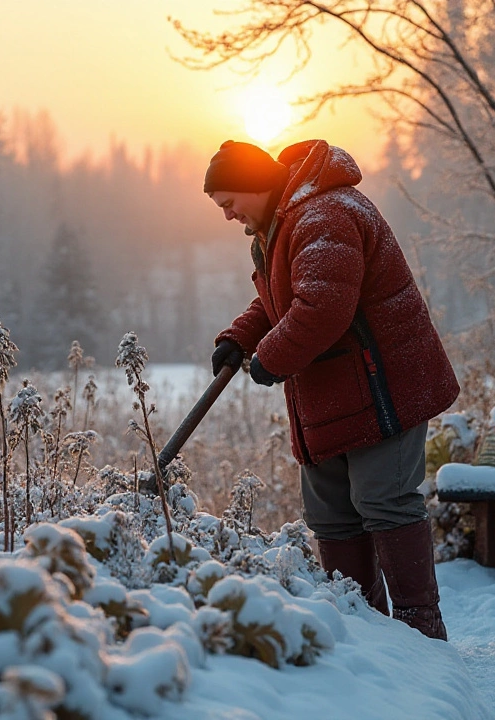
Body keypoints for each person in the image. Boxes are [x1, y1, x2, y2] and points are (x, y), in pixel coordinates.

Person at [205, 139, 459, 640]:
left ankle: (420, 631)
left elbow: (322, 308)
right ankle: (362, 633)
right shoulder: (280, 225)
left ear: (254, 183)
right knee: (333, 518)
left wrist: (270, 358)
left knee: (384, 502)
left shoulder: (326, 214)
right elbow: (285, 297)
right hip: (330, 395)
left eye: (229, 201)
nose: (229, 215)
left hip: (382, 386)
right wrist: (240, 337)